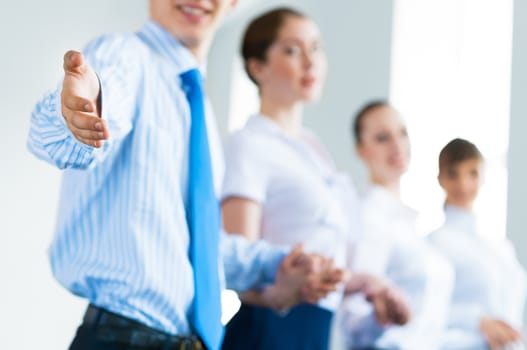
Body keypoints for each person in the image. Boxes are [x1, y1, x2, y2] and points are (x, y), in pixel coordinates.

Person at [26, 1, 345, 350]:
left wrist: (275, 264)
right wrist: (74, 117)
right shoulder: (124, 55)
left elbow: (198, 248)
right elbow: (83, 122)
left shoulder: (199, 108)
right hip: (122, 339)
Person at [219, 9, 410, 350]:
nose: (311, 62)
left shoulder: (315, 153)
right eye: (292, 50)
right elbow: (236, 259)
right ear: (257, 67)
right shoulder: (249, 145)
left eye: (316, 48)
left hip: (317, 330)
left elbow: (326, 266)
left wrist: (371, 286)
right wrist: (282, 292)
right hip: (268, 329)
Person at [340, 100, 454, 350]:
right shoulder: (369, 218)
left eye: (402, 133)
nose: (397, 145)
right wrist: (380, 316)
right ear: (361, 150)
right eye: (382, 138)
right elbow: (353, 319)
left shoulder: (408, 224)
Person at [428, 138, 526, 350]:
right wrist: (478, 322)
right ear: (440, 179)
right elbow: (425, 309)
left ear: (483, 177)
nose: (463, 184)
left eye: (472, 173)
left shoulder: (501, 248)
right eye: (453, 174)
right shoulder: (435, 244)